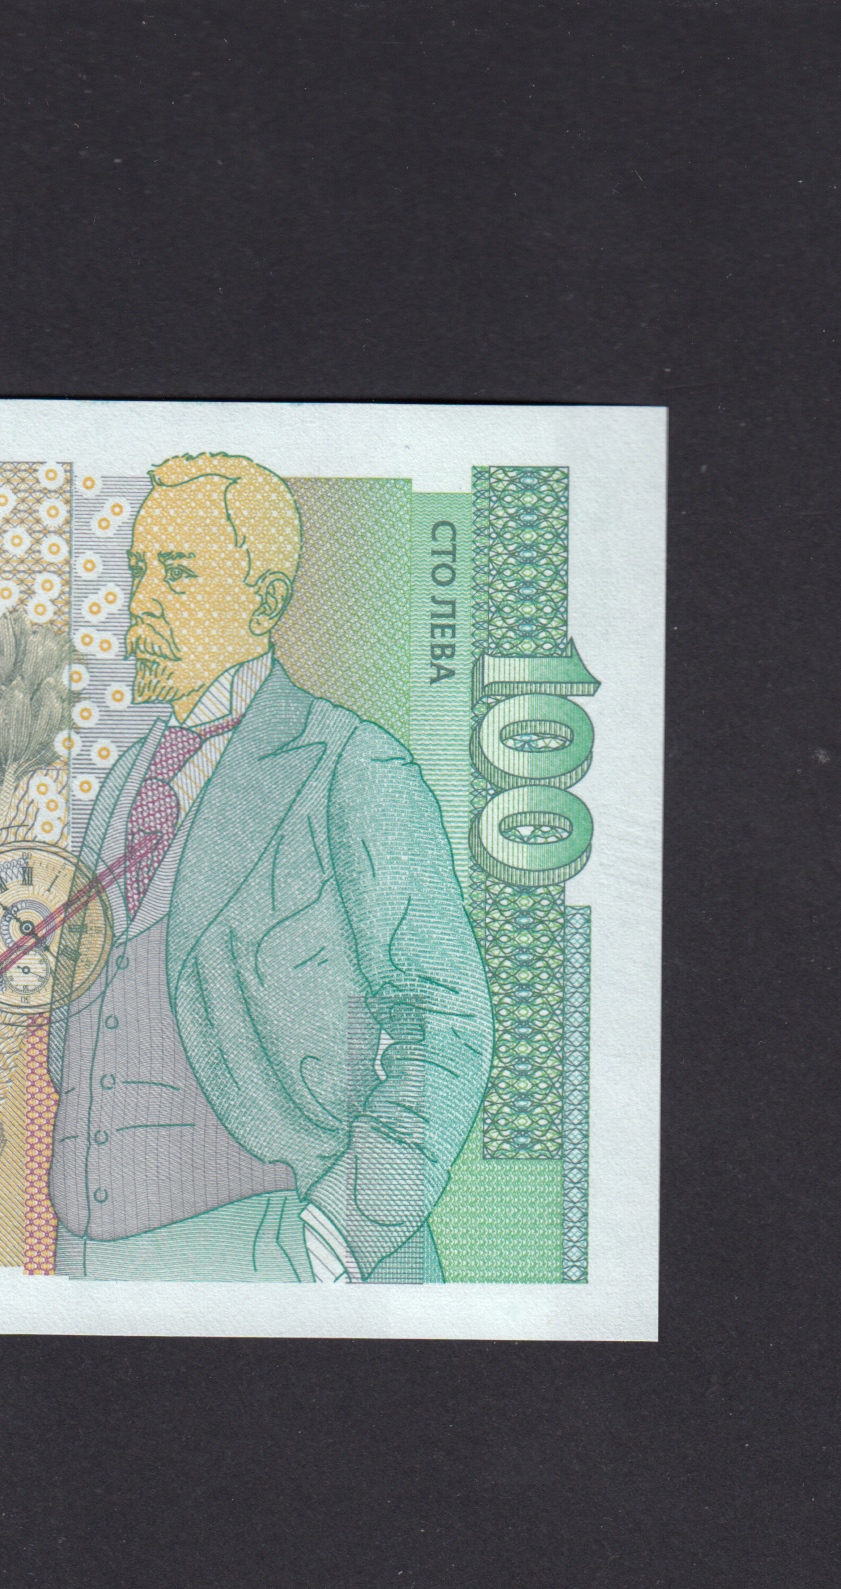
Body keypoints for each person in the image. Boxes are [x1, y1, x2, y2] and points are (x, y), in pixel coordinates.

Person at [49, 453, 493, 1284]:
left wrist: (344, 1231)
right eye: (140, 571)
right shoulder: (125, 780)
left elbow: (445, 1020)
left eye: (178, 573)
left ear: (262, 599)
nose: (141, 601)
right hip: (96, 1265)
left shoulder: (353, 765)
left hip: (281, 1252)